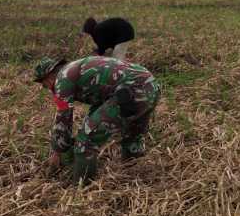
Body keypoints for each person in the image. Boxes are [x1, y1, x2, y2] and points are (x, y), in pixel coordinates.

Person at [34, 55, 161, 185]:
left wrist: (58, 151)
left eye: (45, 85)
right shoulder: (77, 68)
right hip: (151, 86)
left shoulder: (63, 78)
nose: (48, 88)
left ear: (48, 78)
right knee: (133, 135)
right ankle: (134, 179)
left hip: (129, 91)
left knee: (86, 141)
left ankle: (81, 190)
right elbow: (101, 101)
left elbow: (63, 119)